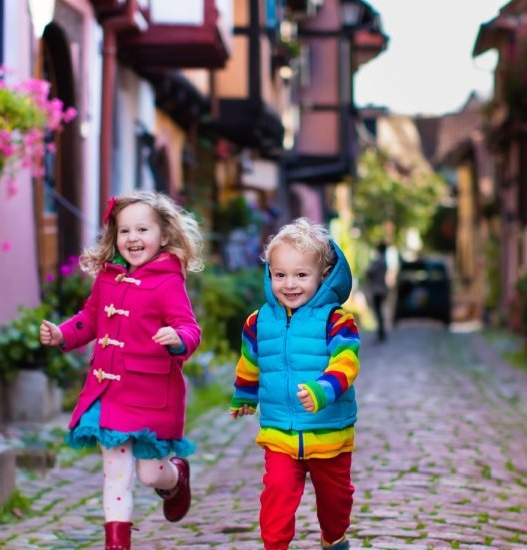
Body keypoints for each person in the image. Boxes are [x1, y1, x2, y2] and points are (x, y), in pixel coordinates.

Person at [40, 190, 205, 550]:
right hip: (109, 393)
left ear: (163, 235)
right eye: (124, 230)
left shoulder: (168, 281)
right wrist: (62, 333)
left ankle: (175, 476)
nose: (133, 238)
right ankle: (116, 544)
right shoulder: (107, 278)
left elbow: (190, 327)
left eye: (142, 230)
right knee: (117, 475)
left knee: (149, 474)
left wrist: (177, 337)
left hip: (150, 394)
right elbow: (91, 319)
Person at [230, 218, 360, 550]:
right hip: (280, 433)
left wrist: (323, 390)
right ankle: (275, 546)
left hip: (329, 430)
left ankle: (334, 538)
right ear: (269, 274)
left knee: (336, 501)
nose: (290, 284)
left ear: (323, 277)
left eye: (301, 275)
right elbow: (251, 361)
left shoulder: (336, 320)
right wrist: (244, 395)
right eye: (280, 275)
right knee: (276, 496)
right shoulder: (258, 321)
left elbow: (347, 362)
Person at [366, 241, 389, 343]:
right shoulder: (385, 261)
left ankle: (380, 333)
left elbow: (369, 272)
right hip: (382, 288)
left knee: (378, 312)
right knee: (380, 311)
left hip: (377, 289)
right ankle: (381, 332)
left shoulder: (379, 261)